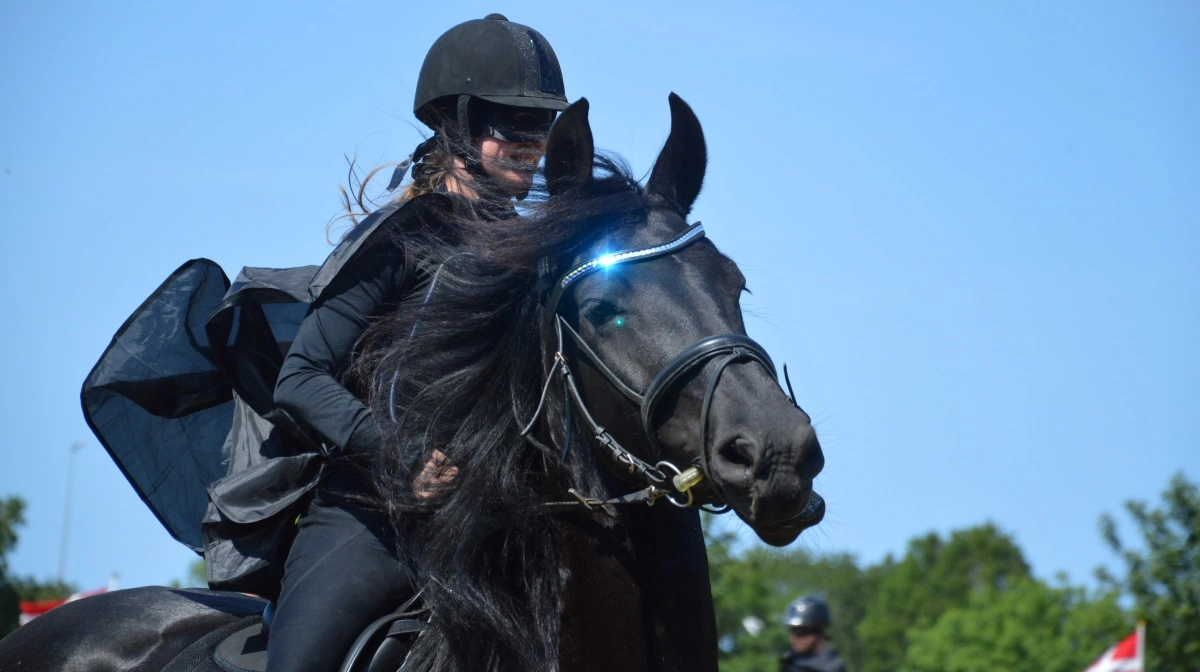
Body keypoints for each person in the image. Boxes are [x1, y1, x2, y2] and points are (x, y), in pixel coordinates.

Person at [264, 14, 568, 672]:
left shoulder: (540, 261)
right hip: (376, 517)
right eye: (508, 122)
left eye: (540, 125)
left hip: (501, 530)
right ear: (454, 126)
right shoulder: (401, 235)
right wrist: (401, 457)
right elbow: (301, 376)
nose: (528, 141)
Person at [779, 596, 846, 672]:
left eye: (800, 631)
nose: (793, 637)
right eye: (792, 630)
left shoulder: (830, 667)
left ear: (818, 631)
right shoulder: (790, 661)